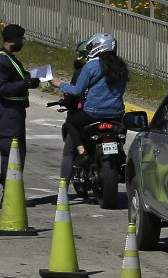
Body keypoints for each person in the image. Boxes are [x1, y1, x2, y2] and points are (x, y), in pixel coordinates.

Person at [50, 32, 128, 172]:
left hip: (93, 113)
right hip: (116, 114)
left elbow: (76, 90)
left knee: (70, 123)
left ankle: (82, 152)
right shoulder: (121, 67)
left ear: (98, 47)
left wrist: (60, 84)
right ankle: (120, 151)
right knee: (120, 131)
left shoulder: (91, 67)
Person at [0, 23, 40, 187]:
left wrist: (33, 77)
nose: (22, 42)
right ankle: (9, 192)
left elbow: (19, 77)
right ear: (12, 40)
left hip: (16, 112)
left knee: (18, 152)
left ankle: (12, 189)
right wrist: (25, 83)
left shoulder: (10, 58)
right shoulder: (1, 60)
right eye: (21, 39)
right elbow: (1, 88)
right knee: (11, 152)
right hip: (8, 112)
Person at [57, 39, 91, 180]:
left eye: (81, 55)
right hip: (114, 115)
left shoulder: (83, 72)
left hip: (91, 114)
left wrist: (65, 100)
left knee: (68, 151)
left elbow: (74, 93)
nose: (78, 58)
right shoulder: (114, 70)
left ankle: (63, 187)